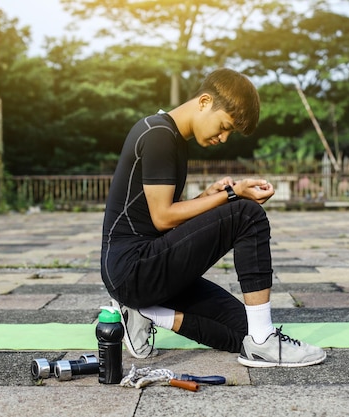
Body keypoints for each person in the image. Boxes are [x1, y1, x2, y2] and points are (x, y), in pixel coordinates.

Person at [100, 68, 326, 367]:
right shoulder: (158, 135)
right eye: (224, 126)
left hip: (148, 269)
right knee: (248, 214)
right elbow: (163, 219)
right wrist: (232, 195)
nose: (223, 137)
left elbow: (158, 214)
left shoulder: (172, 138)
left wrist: (207, 197)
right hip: (133, 269)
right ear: (204, 101)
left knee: (241, 333)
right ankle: (263, 343)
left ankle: (147, 313)